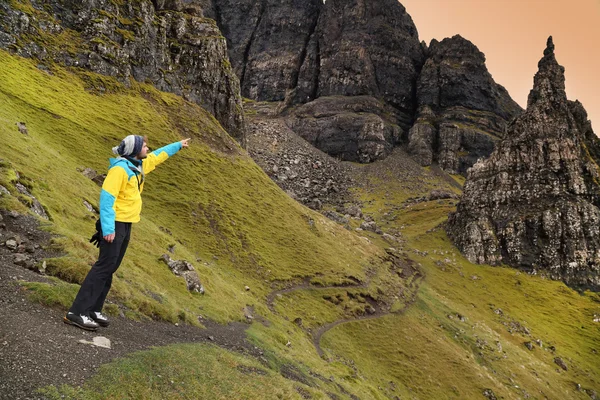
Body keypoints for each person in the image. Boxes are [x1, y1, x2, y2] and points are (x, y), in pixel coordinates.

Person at [64, 135, 190, 331]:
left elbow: (158, 156)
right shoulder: (119, 170)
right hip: (115, 223)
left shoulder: (137, 166)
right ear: (135, 150)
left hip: (127, 224)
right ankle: (77, 312)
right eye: (144, 146)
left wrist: (178, 146)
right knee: (103, 267)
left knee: (111, 267)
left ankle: (93, 310)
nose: (148, 148)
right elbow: (107, 198)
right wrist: (108, 229)